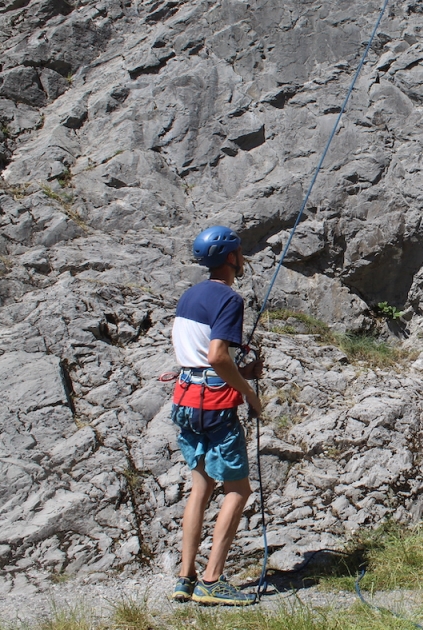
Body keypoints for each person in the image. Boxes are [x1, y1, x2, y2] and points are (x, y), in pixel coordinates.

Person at [169, 225, 264, 606]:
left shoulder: (189, 296)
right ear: (231, 257)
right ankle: (212, 580)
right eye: (239, 252)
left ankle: (185, 577)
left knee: (201, 486)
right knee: (238, 490)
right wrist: (249, 392)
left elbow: (196, 354)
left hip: (185, 400)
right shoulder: (229, 298)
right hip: (215, 404)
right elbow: (217, 356)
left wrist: (241, 372)